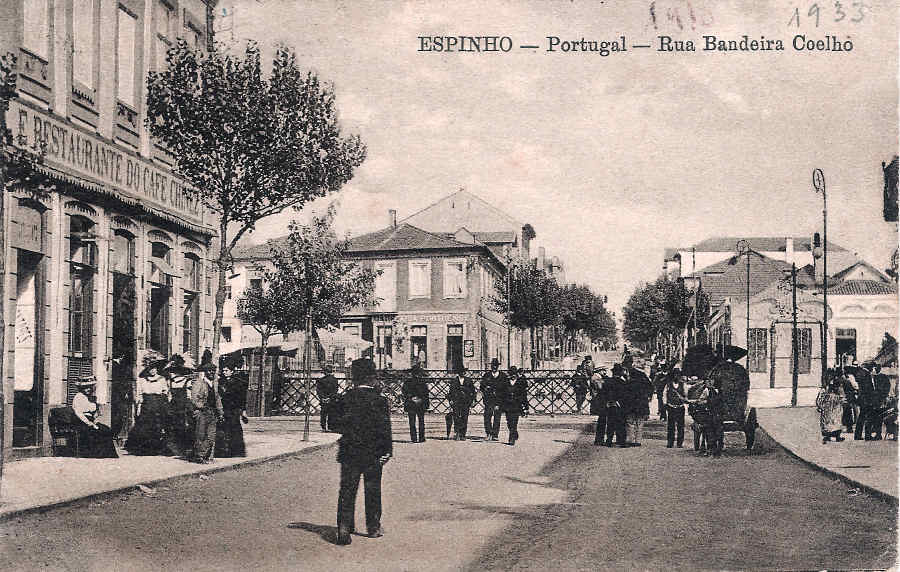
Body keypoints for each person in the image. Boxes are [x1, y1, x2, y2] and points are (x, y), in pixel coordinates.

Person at [332, 358, 392, 545]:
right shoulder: (380, 400)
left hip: (349, 450)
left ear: (354, 378)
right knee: (372, 488)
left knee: (347, 489)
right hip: (373, 452)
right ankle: (373, 527)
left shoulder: (345, 398)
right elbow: (385, 428)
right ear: (371, 377)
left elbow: (333, 424)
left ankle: (344, 527)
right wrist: (387, 450)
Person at [125, 350, 171, 456]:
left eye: (154, 368)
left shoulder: (162, 379)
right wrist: (138, 407)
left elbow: (165, 393)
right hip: (147, 405)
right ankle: (145, 449)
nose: (152, 370)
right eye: (150, 368)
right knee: (145, 426)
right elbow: (140, 394)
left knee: (157, 426)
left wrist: (164, 404)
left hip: (158, 405)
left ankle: (157, 448)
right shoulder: (143, 380)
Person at [67, 377, 119, 458]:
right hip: (81, 422)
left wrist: (95, 419)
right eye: (86, 387)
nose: (88, 389)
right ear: (81, 388)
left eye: (90, 387)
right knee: (99, 431)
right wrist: (89, 423)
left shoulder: (89, 397)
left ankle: (107, 454)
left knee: (106, 429)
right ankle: (97, 454)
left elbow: (92, 412)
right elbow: (79, 413)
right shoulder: (78, 397)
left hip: (90, 421)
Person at [190, 358, 224, 463]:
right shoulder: (198, 383)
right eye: (209, 371)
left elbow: (217, 399)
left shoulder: (214, 385)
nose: (211, 373)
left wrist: (220, 412)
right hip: (202, 413)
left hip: (212, 413)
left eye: (213, 371)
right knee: (200, 435)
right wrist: (201, 406)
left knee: (211, 436)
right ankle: (200, 456)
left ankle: (202, 454)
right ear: (205, 372)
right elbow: (194, 398)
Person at [216, 354, 249, 458]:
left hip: (234, 409)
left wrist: (243, 411)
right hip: (224, 408)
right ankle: (223, 451)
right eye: (223, 370)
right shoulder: (220, 382)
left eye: (226, 370)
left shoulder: (238, 383)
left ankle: (236, 451)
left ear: (231, 371)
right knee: (223, 429)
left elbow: (242, 398)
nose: (224, 372)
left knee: (234, 429)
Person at [164, 354, 196, 457]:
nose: (173, 373)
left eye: (175, 371)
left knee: (184, 426)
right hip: (174, 405)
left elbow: (189, 395)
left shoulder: (187, 381)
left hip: (183, 405)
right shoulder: (170, 382)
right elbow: (168, 394)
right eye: (172, 371)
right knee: (173, 426)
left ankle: (184, 448)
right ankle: (175, 449)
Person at [623, 366, 653, 447]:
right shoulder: (645, 383)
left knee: (630, 422)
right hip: (641, 406)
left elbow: (625, 395)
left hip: (631, 406)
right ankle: (638, 440)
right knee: (639, 423)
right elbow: (650, 392)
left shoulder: (629, 383)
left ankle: (630, 439)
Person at [402, 356, 429, 443]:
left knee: (412, 421)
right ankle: (421, 437)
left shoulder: (407, 382)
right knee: (421, 421)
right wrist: (422, 400)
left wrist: (411, 398)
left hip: (411, 403)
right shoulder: (422, 382)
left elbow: (404, 392)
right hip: (420, 403)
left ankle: (414, 438)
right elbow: (426, 393)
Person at [446, 366, 476, 440]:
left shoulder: (469, 380)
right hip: (456, 401)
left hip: (466, 401)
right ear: (458, 372)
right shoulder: (454, 380)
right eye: (461, 371)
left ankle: (463, 434)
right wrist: (450, 400)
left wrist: (473, 400)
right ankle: (457, 433)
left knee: (464, 417)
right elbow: (450, 392)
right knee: (456, 417)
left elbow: (473, 391)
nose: (462, 373)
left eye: (463, 371)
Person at [816, 371, 847, 443]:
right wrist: (820, 405)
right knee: (831, 421)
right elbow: (821, 397)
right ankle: (829, 436)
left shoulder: (833, 385)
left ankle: (834, 436)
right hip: (830, 406)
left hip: (833, 406)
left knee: (835, 420)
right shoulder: (826, 388)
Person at [481, 358, 507, 441]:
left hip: (499, 400)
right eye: (493, 366)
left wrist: (501, 402)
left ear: (498, 366)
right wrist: (486, 390)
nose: (494, 367)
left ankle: (495, 434)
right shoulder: (487, 375)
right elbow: (482, 387)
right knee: (487, 417)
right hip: (489, 400)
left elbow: (505, 389)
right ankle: (488, 433)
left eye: (496, 366)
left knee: (497, 417)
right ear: (491, 366)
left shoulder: (503, 376)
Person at [663, 364, 687, 448]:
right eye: (675, 375)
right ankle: (670, 442)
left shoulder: (683, 385)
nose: (676, 376)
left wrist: (683, 399)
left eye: (678, 375)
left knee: (680, 426)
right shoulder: (668, 385)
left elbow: (685, 395)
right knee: (671, 426)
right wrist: (665, 404)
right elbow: (664, 395)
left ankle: (680, 443)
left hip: (680, 407)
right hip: (671, 406)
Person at [604, 364, 628, 447]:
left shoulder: (608, 381)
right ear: (620, 373)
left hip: (610, 404)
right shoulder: (623, 382)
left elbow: (604, 393)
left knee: (610, 423)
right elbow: (625, 395)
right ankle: (621, 441)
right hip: (620, 405)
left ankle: (609, 440)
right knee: (621, 423)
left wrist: (609, 401)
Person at [503, 366, 528, 445]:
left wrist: (526, 407)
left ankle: (511, 438)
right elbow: (502, 394)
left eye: (514, 374)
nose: (513, 375)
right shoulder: (506, 382)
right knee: (509, 422)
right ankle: (514, 433)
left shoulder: (520, 382)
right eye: (511, 374)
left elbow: (524, 395)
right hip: (508, 405)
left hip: (517, 405)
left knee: (514, 422)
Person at [854, 363, 877, 440]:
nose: (873, 369)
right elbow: (868, 388)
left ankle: (857, 435)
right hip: (867, 399)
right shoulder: (866, 374)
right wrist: (872, 397)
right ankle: (868, 435)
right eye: (873, 368)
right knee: (869, 417)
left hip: (862, 399)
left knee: (861, 417)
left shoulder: (861, 373)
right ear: (870, 367)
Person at [316, 365, 340, 432]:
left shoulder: (321, 380)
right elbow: (335, 390)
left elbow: (319, 390)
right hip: (331, 399)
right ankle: (330, 427)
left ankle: (323, 427)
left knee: (323, 413)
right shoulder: (335, 380)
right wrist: (330, 397)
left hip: (323, 399)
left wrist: (323, 398)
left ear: (324, 372)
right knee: (331, 413)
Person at [589, 367, 608, 446]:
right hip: (599, 400)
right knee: (602, 420)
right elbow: (600, 388)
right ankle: (599, 440)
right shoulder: (596, 378)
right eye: (604, 370)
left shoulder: (597, 377)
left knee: (602, 420)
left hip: (598, 400)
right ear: (599, 370)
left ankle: (599, 439)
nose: (605, 372)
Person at [840, 366, 859, 434]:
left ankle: (849, 427)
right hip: (849, 397)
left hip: (847, 397)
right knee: (849, 412)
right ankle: (850, 427)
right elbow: (854, 387)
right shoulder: (848, 379)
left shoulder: (846, 378)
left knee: (848, 412)